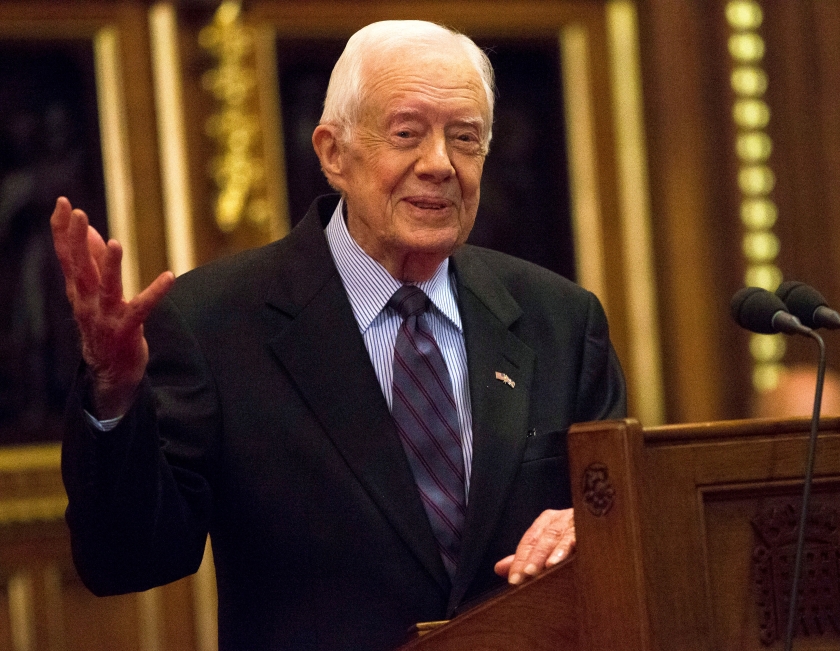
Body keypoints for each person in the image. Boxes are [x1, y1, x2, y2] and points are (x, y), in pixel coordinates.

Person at [51, 20, 626, 651]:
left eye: (465, 139)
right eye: (406, 134)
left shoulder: (560, 320)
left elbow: (619, 516)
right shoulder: (215, 321)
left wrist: (592, 527)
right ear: (332, 153)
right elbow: (128, 559)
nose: (439, 164)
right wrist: (114, 394)